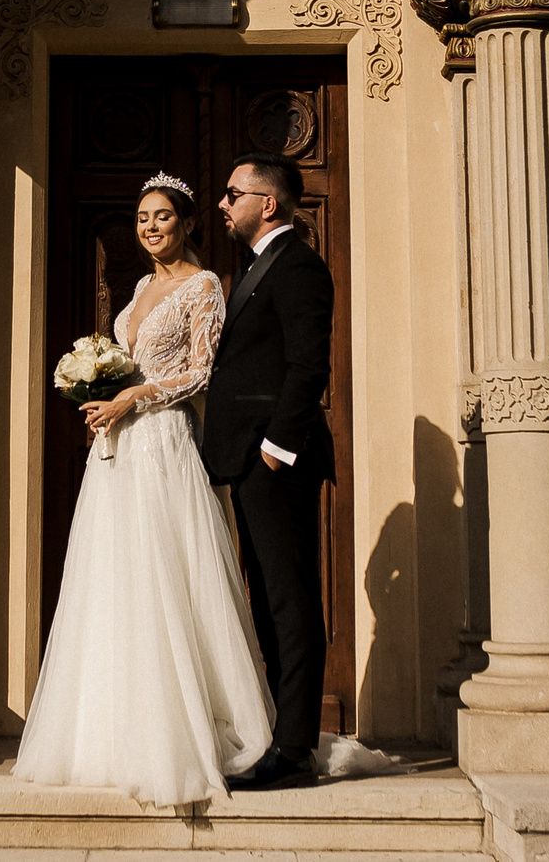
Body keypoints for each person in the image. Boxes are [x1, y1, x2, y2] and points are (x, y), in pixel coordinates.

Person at [13, 174, 276, 807]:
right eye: (141, 218)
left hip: (165, 446)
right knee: (117, 582)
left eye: (162, 217)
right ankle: (113, 734)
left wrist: (133, 396)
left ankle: (186, 735)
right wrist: (99, 391)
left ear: (187, 224)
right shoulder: (137, 287)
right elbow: (130, 355)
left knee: (171, 578)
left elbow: (201, 371)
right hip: (120, 453)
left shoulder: (204, 285)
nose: (150, 227)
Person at [203, 151, 336, 792]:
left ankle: (296, 750)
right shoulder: (256, 268)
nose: (223, 204)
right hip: (249, 461)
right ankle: (281, 735)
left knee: (289, 601)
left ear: (269, 203)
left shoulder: (301, 268)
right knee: (267, 600)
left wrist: (274, 449)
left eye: (233, 194)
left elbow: (309, 367)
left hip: (277, 461)